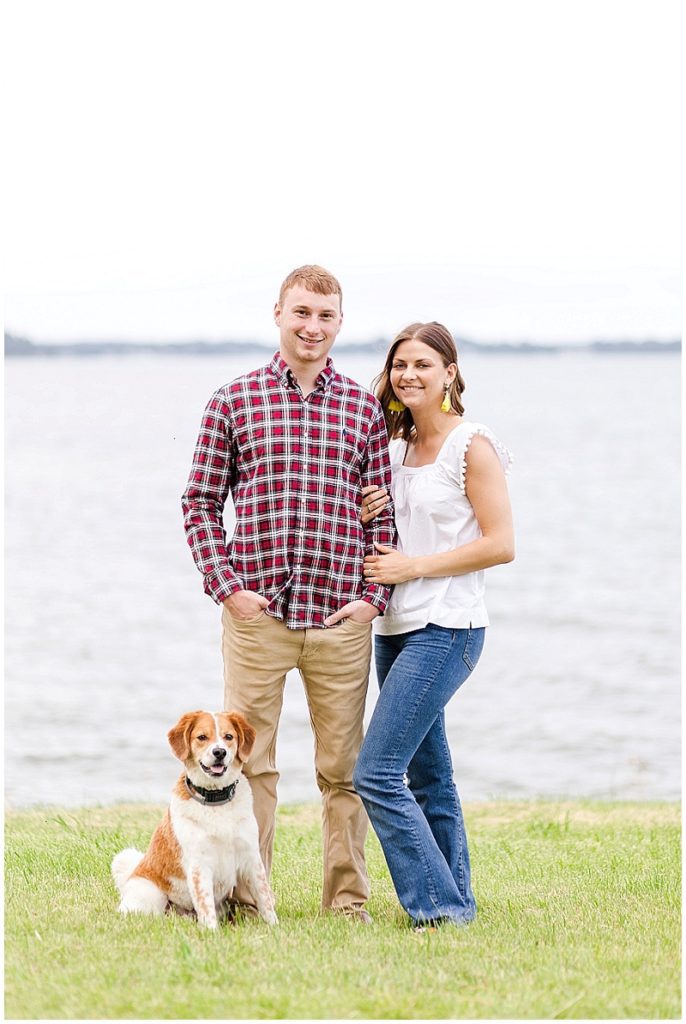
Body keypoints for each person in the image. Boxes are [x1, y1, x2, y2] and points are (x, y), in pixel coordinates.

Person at [181, 265, 395, 923]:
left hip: (339, 618)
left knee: (344, 771)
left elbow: (382, 518)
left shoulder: (363, 408)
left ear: (339, 323)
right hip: (259, 618)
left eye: (325, 316)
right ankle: (250, 898)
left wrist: (370, 601)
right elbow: (199, 502)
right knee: (251, 767)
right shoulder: (234, 400)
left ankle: (348, 904)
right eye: (301, 313)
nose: (312, 327)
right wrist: (228, 589)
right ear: (278, 313)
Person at [326, 321, 514, 929]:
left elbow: (501, 544)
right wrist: (364, 513)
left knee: (376, 773)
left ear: (450, 374)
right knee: (429, 775)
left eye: (423, 365)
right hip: (396, 628)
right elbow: (385, 535)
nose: (409, 375)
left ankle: (440, 910)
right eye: (399, 364)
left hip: (450, 627)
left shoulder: (471, 445)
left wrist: (415, 565)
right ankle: (458, 897)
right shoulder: (393, 449)